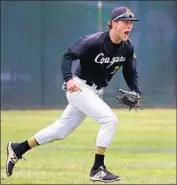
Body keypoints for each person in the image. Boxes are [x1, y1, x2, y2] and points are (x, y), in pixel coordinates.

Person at [6, 6, 141, 183]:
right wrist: (68, 79)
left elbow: (130, 72)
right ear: (114, 23)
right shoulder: (94, 42)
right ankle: (97, 168)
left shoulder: (127, 47)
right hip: (79, 88)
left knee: (60, 131)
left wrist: (136, 91)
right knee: (110, 120)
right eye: (125, 22)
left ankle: (18, 148)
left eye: (131, 22)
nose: (129, 26)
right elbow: (68, 56)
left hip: (94, 91)